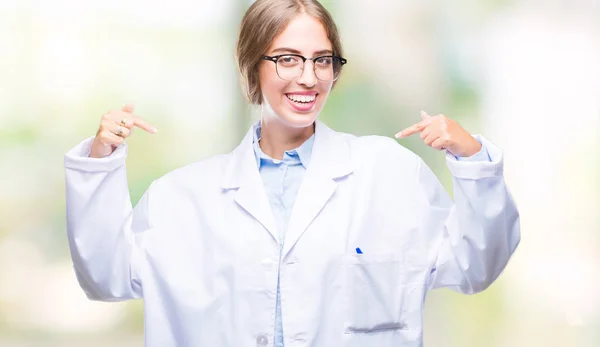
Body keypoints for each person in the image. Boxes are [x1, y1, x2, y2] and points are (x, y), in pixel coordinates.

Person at [64, 0, 520, 346]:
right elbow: (105, 278)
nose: (308, 77)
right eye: (287, 58)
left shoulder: (389, 173)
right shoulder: (183, 196)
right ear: (251, 68)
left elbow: (475, 266)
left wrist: (474, 159)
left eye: (322, 59)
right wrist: (101, 158)